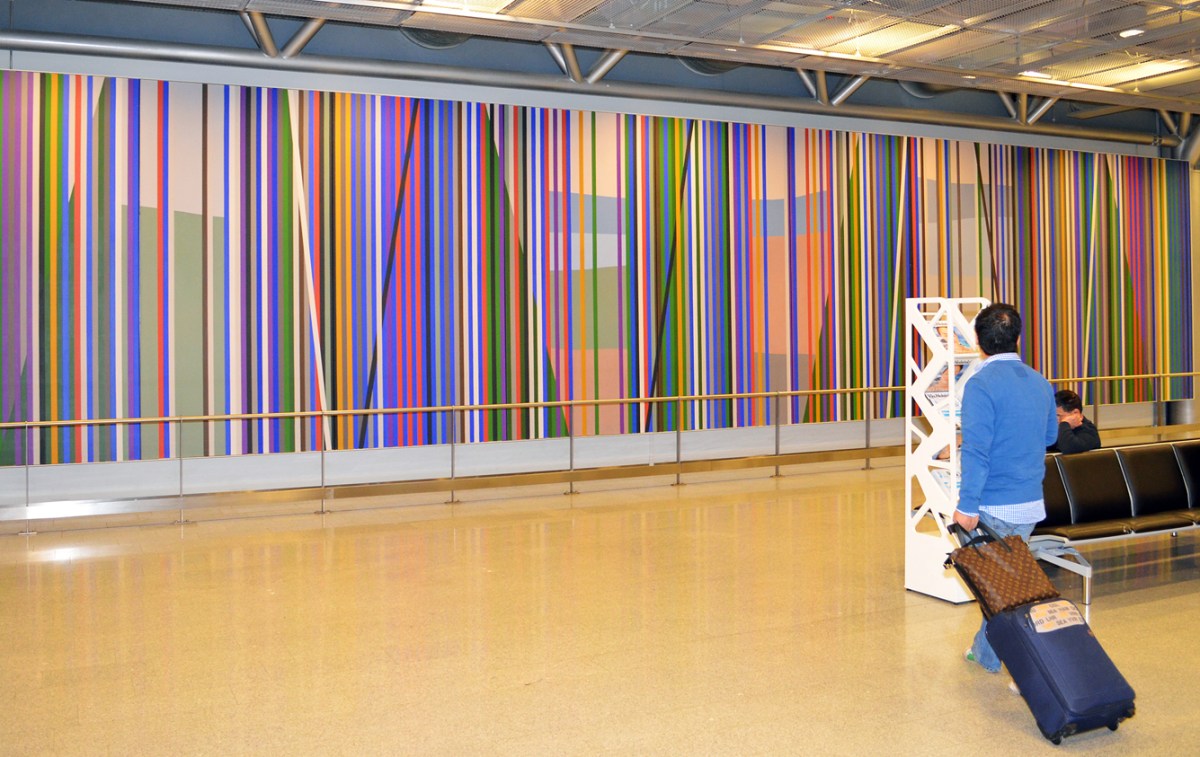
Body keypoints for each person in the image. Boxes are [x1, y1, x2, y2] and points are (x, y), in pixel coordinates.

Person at [953, 303, 1058, 676]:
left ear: (978, 341)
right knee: (1006, 585)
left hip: (994, 504)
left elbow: (976, 450)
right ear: (1017, 338)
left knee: (1000, 589)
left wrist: (967, 505)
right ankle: (985, 653)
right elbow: (1050, 436)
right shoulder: (1040, 381)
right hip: (1029, 501)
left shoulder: (981, 385)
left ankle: (1021, 658)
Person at [1048, 389, 1101, 454]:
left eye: (1058, 415)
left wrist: (1064, 423)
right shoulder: (1056, 428)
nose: (1054, 420)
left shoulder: (1089, 431)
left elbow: (1069, 448)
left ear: (1075, 413)